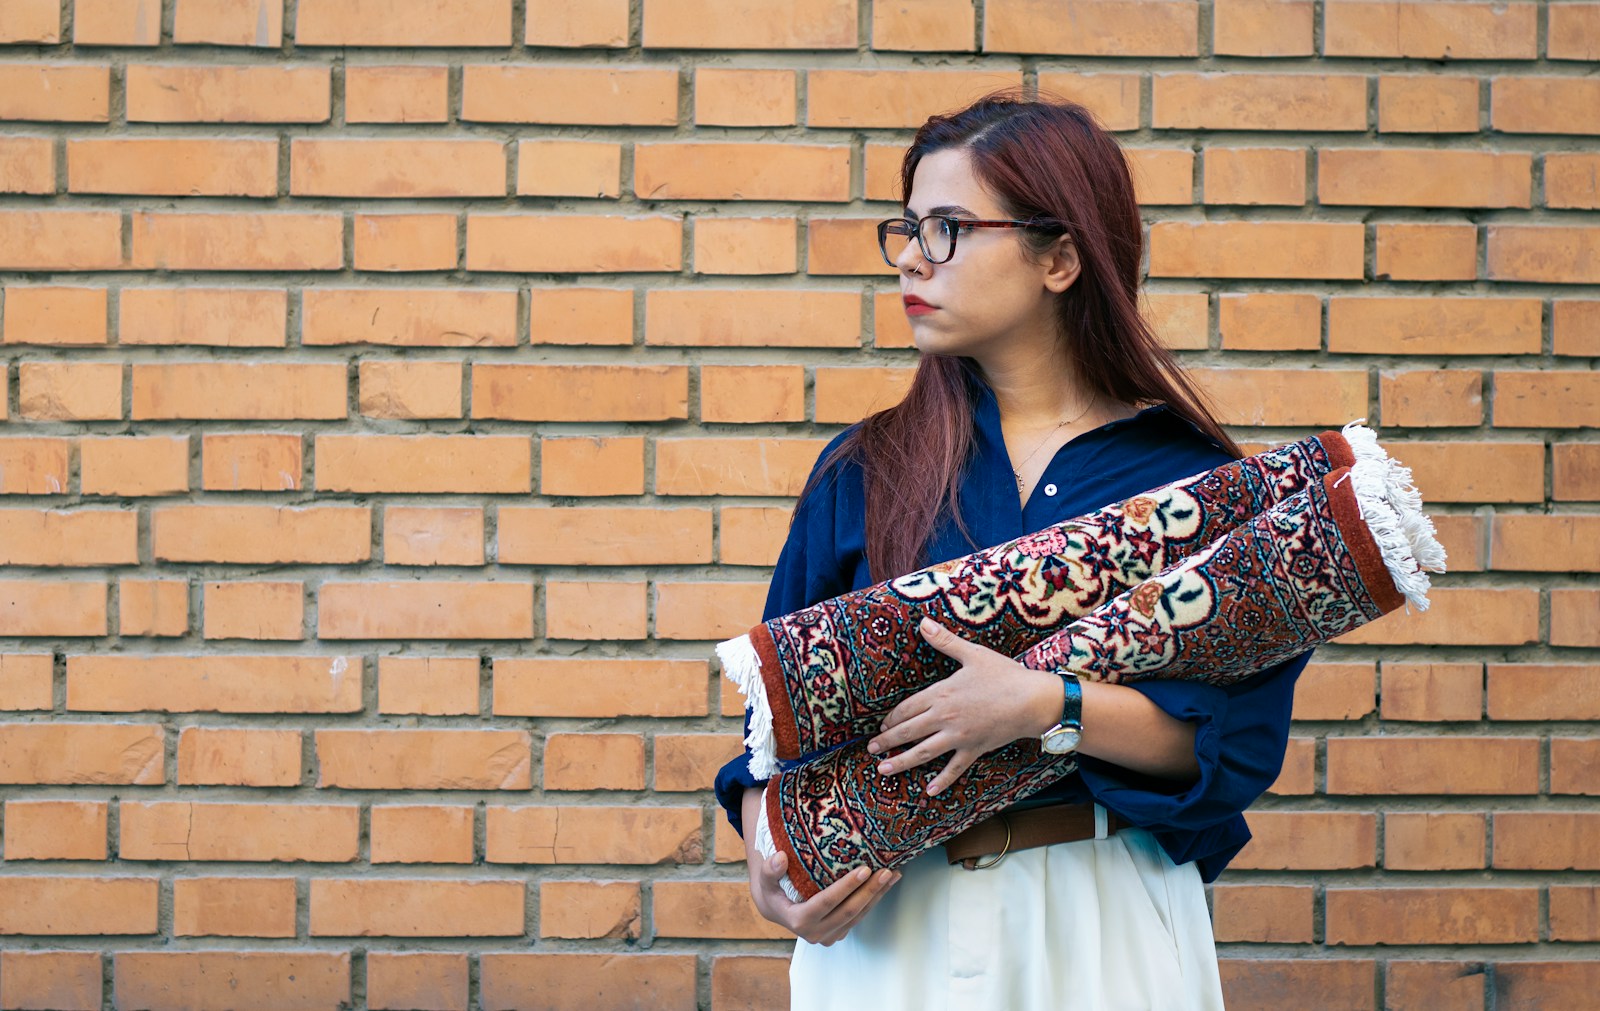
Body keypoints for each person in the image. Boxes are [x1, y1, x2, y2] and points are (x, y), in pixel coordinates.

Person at [712, 93, 1313, 1011]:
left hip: (1096, 911)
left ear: (1060, 258)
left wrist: (1046, 704)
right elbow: (772, 734)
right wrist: (769, 861)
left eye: (948, 227)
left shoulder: (1192, 485)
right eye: (907, 228)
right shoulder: (867, 469)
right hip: (888, 929)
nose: (912, 256)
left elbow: (1228, 745)